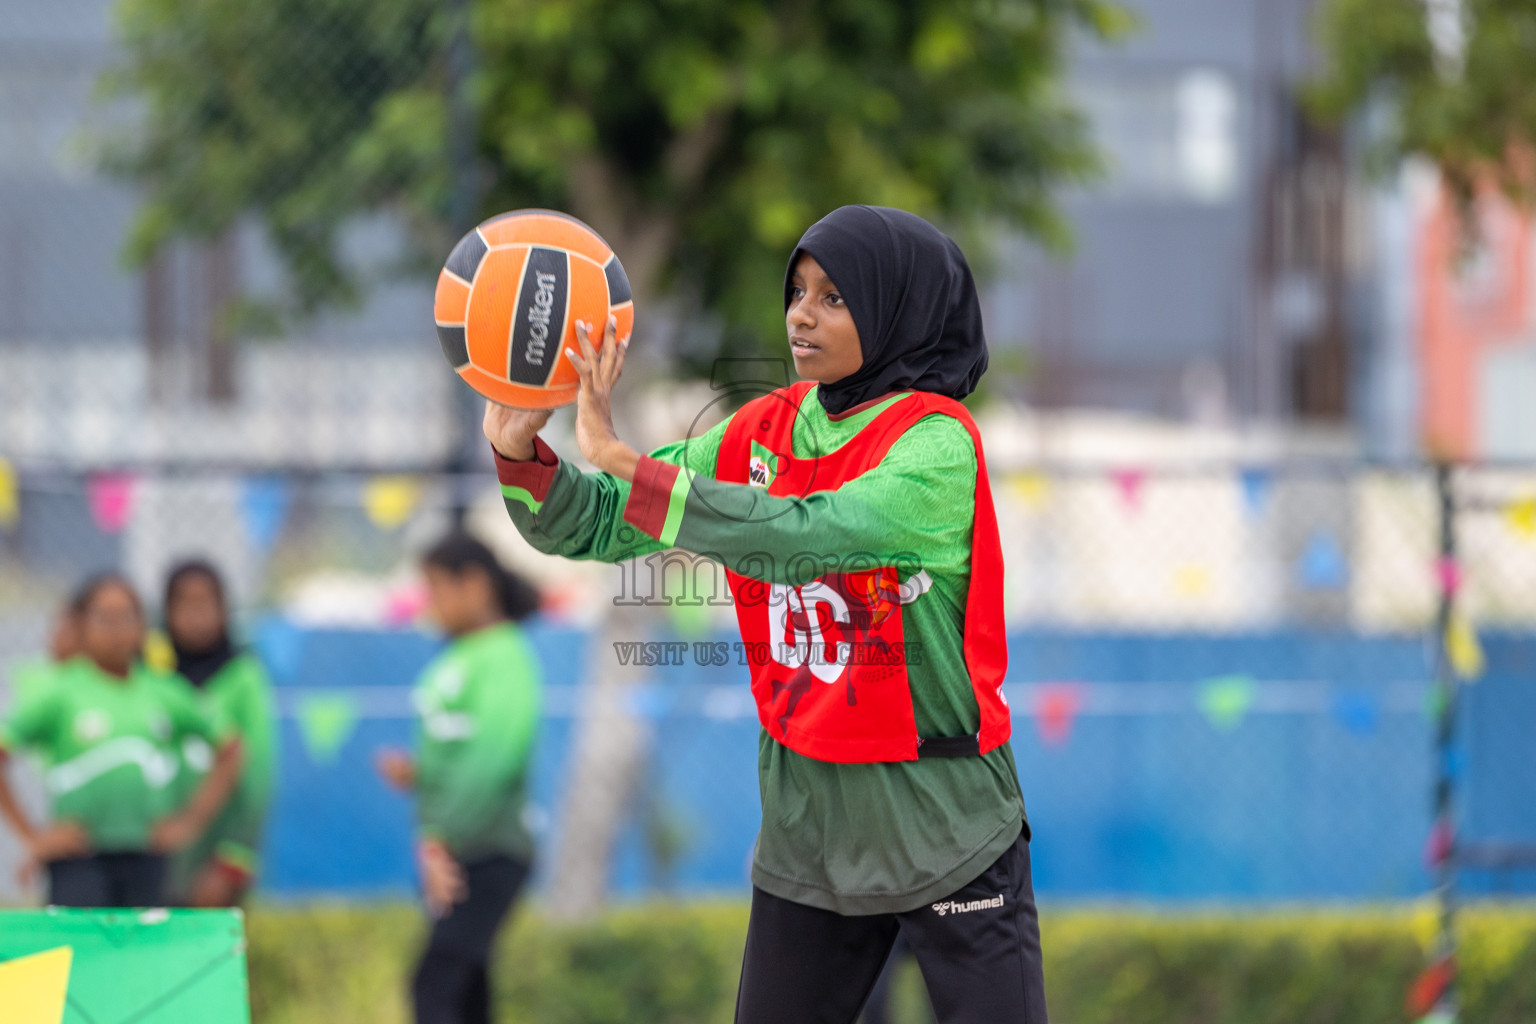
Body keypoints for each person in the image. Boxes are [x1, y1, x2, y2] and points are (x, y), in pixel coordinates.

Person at [484, 205, 1045, 1024]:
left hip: (946, 823)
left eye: (835, 297)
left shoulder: (936, 444)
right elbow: (605, 518)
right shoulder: (761, 429)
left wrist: (631, 464)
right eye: (797, 291)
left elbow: (814, 538)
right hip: (808, 825)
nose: (800, 314)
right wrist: (521, 453)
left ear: (900, 312)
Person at [375, 532, 543, 1024]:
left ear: (475, 585)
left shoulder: (505, 658)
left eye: (436, 588)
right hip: (458, 849)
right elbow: (461, 751)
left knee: (434, 987)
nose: (430, 604)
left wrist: (438, 841)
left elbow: (494, 762)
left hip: (485, 851)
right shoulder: (461, 656)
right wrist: (422, 774)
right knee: (467, 994)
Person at [0, 573, 244, 908]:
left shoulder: (163, 692)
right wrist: (32, 836)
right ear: (82, 625)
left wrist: (189, 823)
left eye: (127, 617)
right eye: (104, 618)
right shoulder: (61, 692)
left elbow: (229, 747)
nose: (116, 630)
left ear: (144, 625)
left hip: (147, 855)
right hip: (79, 857)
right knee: (84, 955)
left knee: (142, 953)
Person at [162, 560, 277, 907]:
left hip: (216, 865)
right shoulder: (152, 679)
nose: (197, 616)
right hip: (154, 863)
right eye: (186, 604)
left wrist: (233, 862)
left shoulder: (243, 678)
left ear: (225, 610)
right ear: (167, 611)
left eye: (207, 604)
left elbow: (258, 775)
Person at [6, 595, 83, 705]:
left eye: (72, 630)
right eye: (59, 626)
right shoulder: (27, 675)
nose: (62, 636)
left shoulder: (95, 679)